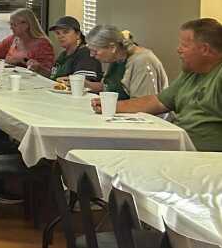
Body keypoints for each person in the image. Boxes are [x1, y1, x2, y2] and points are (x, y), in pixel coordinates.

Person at [96, 18, 222, 151]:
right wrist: (111, 106)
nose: (178, 50)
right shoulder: (192, 72)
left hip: (204, 159)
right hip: (176, 147)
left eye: (184, 45)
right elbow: (158, 102)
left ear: (205, 49)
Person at [84, 25, 168, 99]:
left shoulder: (142, 61)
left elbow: (144, 103)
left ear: (112, 47)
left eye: (95, 51)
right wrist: (86, 84)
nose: (91, 55)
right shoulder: (116, 59)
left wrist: (114, 106)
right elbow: (109, 88)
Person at [0, 8, 54, 72]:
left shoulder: (42, 44)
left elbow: (48, 72)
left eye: (14, 25)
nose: (11, 28)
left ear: (26, 25)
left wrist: (37, 67)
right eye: (11, 24)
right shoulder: (14, 39)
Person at [42, 16, 103, 80]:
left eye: (65, 32)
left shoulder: (86, 54)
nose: (61, 36)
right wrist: (39, 69)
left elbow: (81, 83)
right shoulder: (63, 55)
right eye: (57, 33)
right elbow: (53, 77)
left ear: (78, 35)